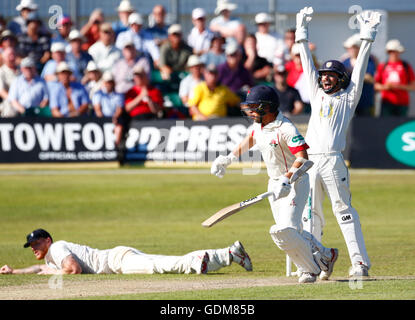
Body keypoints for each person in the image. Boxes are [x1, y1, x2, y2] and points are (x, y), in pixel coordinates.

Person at [210, 84, 339, 283]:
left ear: (267, 107)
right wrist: (228, 158)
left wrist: (287, 178)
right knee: (289, 231)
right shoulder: (258, 125)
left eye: (254, 107)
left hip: (295, 182)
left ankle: (308, 270)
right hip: (274, 183)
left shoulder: (286, 128)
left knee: (285, 230)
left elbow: (303, 156)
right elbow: (252, 138)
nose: (250, 112)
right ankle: (326, 255)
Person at [294, 7, 381, 278]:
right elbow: (306, 61)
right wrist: (301, 32)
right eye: (323, 76)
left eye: (331, 75)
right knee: (310, 217)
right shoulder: (316, 93)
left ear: (341, 79)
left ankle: (359, 264)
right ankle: (312, 265)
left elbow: (360, 66)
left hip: (333, 160)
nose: (325, 78)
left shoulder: (348, 97)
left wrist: (368, 35)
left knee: (344, 212)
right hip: (310, 162)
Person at [0, 228, 252, 275]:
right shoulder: (52, 257)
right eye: (30, 247)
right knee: (160, 263)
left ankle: (225, 254)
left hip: (115, 261)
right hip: (116, 258)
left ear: (47, 240)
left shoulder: (57, 247)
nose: (33, 249)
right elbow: (40, 268)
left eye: (35, 244)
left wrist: (51, 275)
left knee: (159, 266)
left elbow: (73, 270)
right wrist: (14, 271)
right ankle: (226, 255)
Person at [374, 39, 415, 117]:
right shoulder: (383, 66)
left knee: (401, 127)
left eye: (395, 51)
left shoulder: (406, 66)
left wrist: (398, 86)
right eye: (391, 51)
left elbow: (413, 87)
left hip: (402, 104)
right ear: (388, 52)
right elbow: (375, 85)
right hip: (386, 103)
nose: (393, 53)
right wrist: (386, 87)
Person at [341, 34, 376, 117]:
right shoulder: (345, 61)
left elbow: (370, 78)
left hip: (365, 101)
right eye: (349, 48)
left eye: (354, 47)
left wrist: (351, 73)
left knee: (365, 125)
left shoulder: (368, 60)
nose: (351, 50)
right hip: (349, 100)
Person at [0, 47, 20, 117]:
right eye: (9, 55)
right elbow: (1, 92)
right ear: (4, 58)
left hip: (24, 102)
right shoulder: (1, 71)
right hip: (10, 105)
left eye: (13, 54)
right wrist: (14, 101)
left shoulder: (22, 70)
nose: (12, 57)